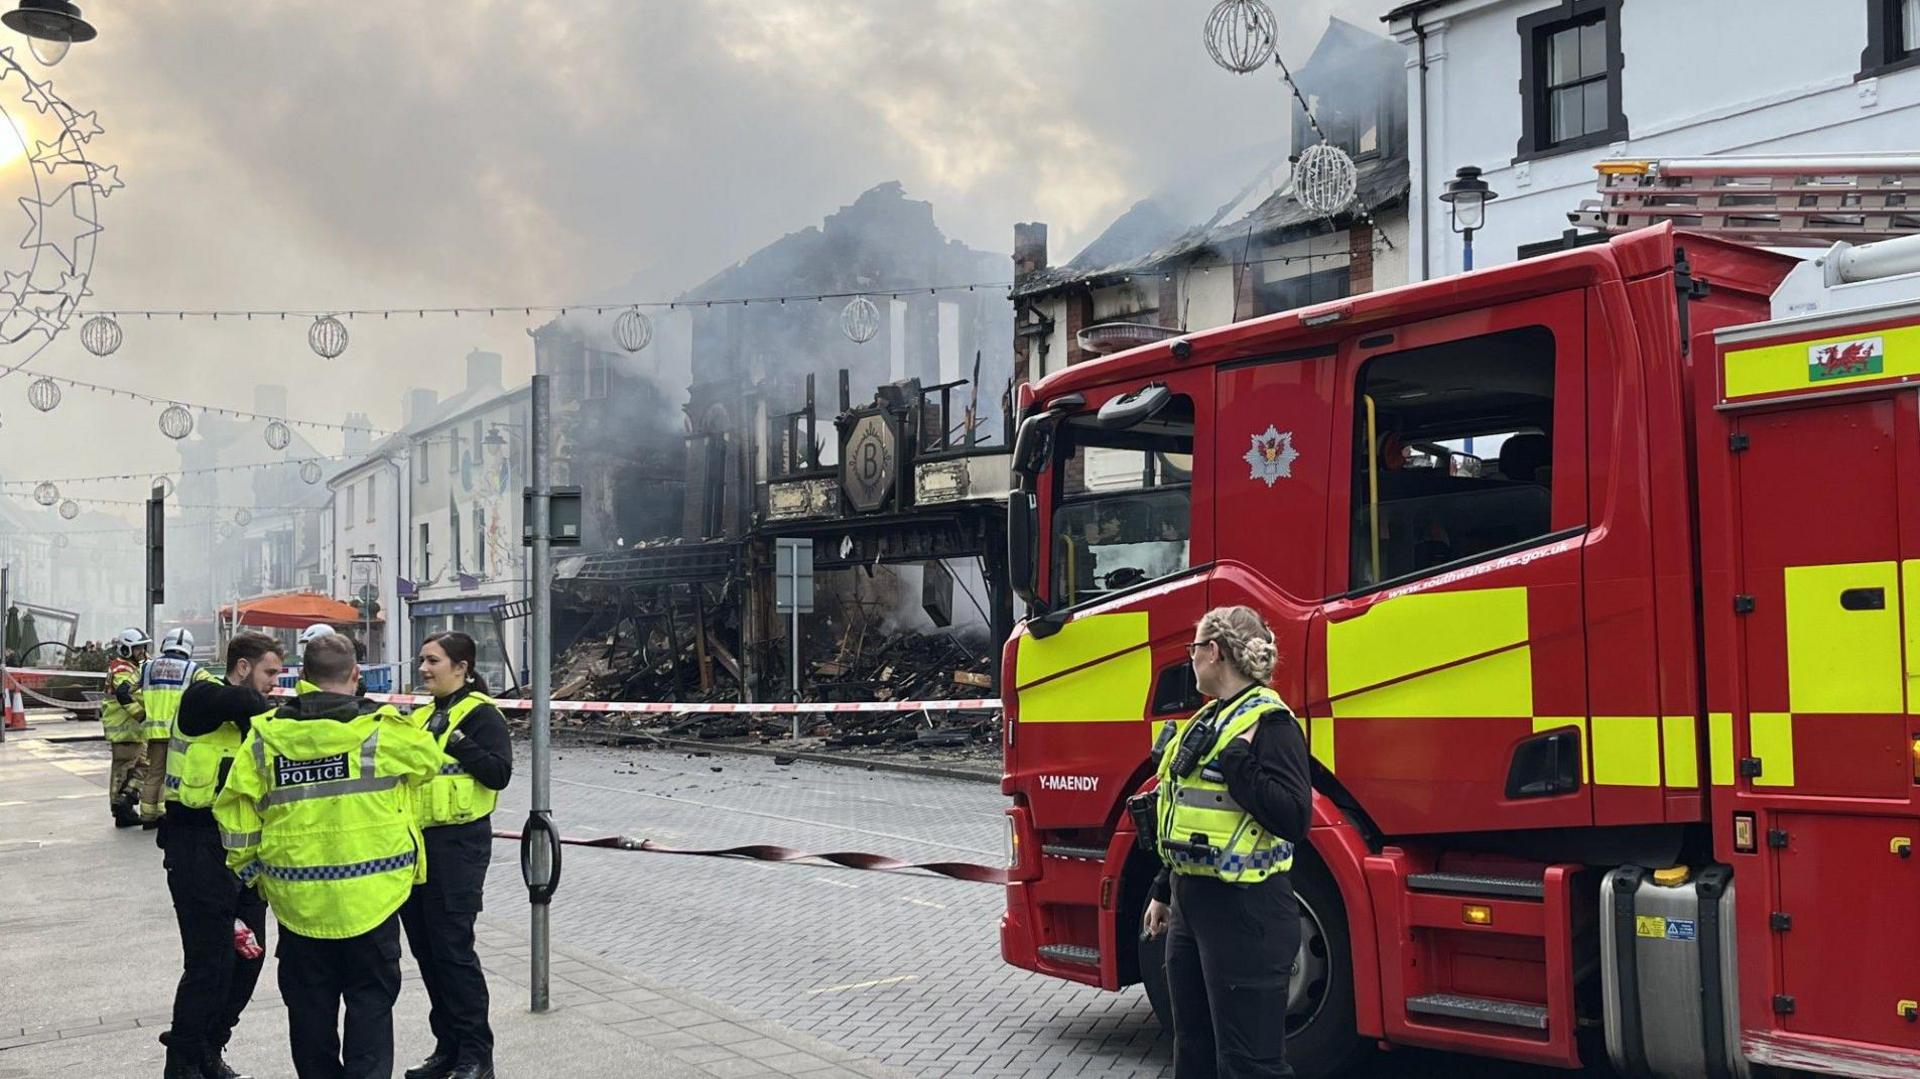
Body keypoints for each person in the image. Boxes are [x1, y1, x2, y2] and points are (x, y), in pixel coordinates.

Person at [214, 633, 440, 1079]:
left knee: (309, 1012)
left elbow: (233, 812)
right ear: (356, 676)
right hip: (373, 901)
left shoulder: (264, 739)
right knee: (371, 1009)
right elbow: (428, 762)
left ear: (302, 679)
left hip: (298, 904)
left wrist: (257, 874)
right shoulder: (384, 731)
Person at [1142, 605, 1311, 1078]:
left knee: (1248, 1063)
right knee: (1192, 1048)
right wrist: (1162, 888)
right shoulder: (1209, 718)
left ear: (1213, 652)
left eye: (1194, 648)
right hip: (1193, 904)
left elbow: (1294, 817)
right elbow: (1187, 814)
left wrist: (1238, 760)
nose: (1190, 657)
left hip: (1247, 912)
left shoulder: (1271, 724)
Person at [158, 632, 284, 1079]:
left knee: (249, 956)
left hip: (243, 856)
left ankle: (211, 1048)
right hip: (195, 847)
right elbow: (241, 704)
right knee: (209, 962)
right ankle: (184, 1064)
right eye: (270, 672)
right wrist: (276, 710)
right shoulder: (202, 698)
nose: (275, 682)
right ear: (244, 667)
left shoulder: (252, 716)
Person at [401, 632, 512, 1079]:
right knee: (427, 952)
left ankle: (475, 1055)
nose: (424, 668)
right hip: (417, 847)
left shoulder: (481, 713)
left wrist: (456, 739)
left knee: (453, 952)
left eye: (433, 661)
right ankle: (446, 1048)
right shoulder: (421, 715)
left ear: (461, 667)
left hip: (458, 847)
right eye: (422, 660)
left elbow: (498, 773)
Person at [138, 628, 218, 827]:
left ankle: (147, 815)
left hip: (154, 732)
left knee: (154, 773)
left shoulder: (148, 667)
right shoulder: (192, 669)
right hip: (177, 732)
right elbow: (215, 687)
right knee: (172, 774)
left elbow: (128, 690)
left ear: (166, 644)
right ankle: (165, 813)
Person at [103, 627, 151, 828]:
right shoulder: (123, 669)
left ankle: (121, 809)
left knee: (122, 771)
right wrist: (145, 714)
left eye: (142, 648)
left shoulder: (123, 666)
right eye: (137, 648)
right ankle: (123, 807)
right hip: (126, 728)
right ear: (126, 649)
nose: (141, 652)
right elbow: (128, 695)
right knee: (134, 768)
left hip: (125, 728)